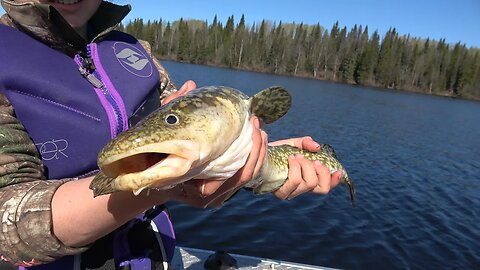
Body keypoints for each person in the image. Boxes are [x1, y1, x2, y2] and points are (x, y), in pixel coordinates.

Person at [0, 0, 342, 269]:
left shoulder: (136, 52)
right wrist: (161, 188)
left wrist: (247, 159)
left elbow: (194, 147)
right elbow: (5, 226)